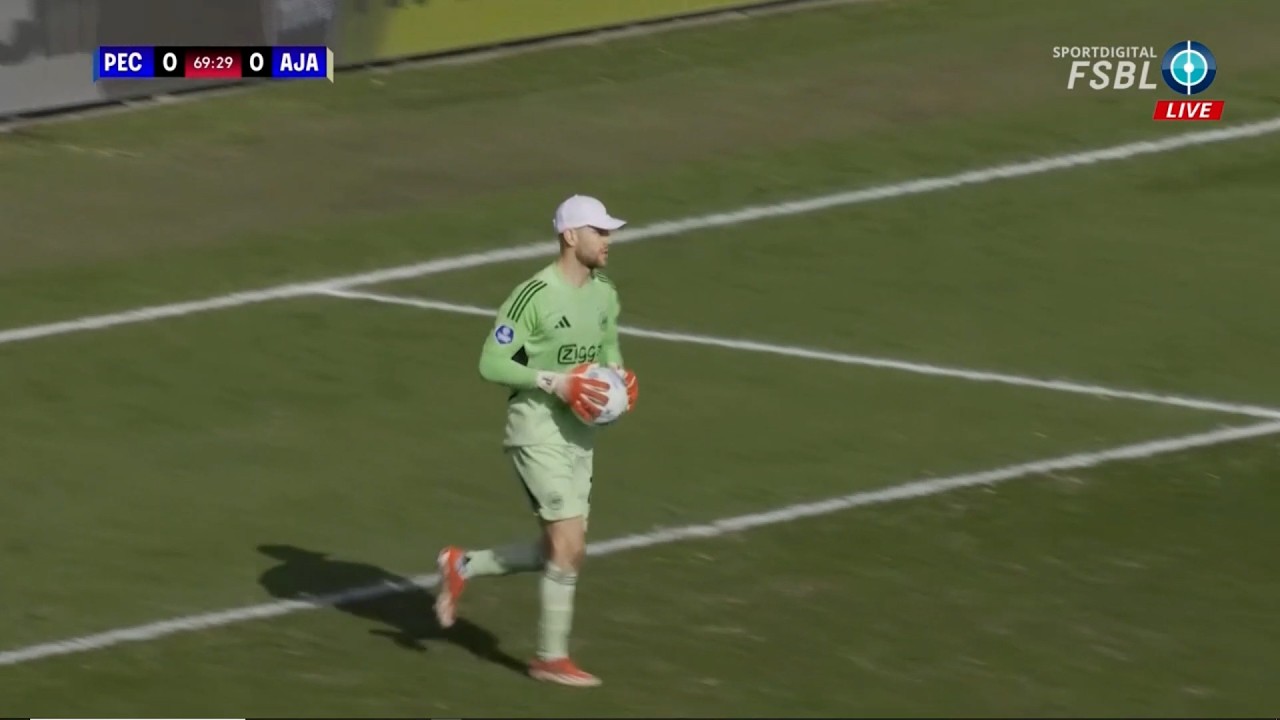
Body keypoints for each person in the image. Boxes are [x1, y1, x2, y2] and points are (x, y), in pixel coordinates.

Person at [433, 194, 639, 687]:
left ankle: (460, 565)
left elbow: (608, 343)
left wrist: (617, 376)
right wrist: (557, 382)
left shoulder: (604, 291)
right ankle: (549, 658)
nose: (609, 240)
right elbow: (493, 363)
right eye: (600, 231)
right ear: (571, 236)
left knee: (562, 550)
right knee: (568, 545)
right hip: (536, 430)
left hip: (579, 434)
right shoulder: (534, 297)